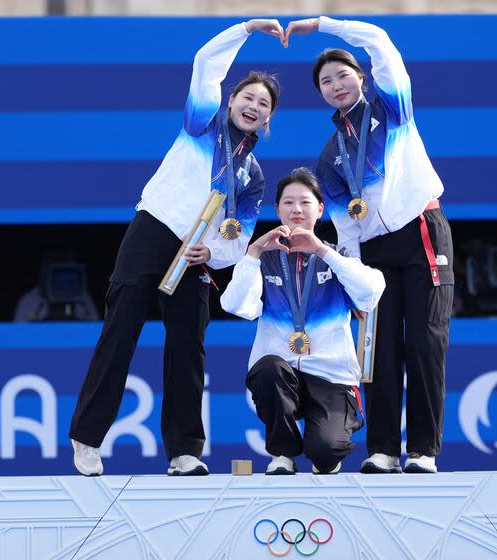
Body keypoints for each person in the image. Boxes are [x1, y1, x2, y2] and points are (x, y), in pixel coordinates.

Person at [68, 19, 284, 477]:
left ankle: (185, 451)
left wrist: (216, 256)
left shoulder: (254, 176)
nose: (253, 105)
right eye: (247, 97)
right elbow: (206, 63)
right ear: (230, 101)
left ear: (268, 120)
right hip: (154, 230)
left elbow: (238, 234)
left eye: (262, 104)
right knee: (120, 329)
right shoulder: (201, 123)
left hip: (195, 255)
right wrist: (246, 29)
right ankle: (87, 438)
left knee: (188, 345)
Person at [283, 17, 454, 473]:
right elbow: (345, 227)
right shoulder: (330, 154)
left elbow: (379, 41)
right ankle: (382, 449)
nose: (336, 84)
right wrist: (355, 282)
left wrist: (322, 25)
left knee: (423, 343)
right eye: (325, 81)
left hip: (420, 231)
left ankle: (423, 451)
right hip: (374, 253)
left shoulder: (393, 108)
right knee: (377, 350)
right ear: (319, 93)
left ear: (362, 77)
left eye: (343, 74)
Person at [221, 168, 385, 474]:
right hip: (283, 375)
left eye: (305, 202)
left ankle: (324, 440)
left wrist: (322, 251)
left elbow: (371, 292)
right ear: (277, 209)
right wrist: (254, 252)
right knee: (268, 368)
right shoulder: (264, 258)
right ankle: (282, 454)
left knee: (325, 453)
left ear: (320, 209)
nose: (297, 209)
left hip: (331, 376)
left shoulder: (338, 255)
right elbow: (237, 306)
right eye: (288, 202)